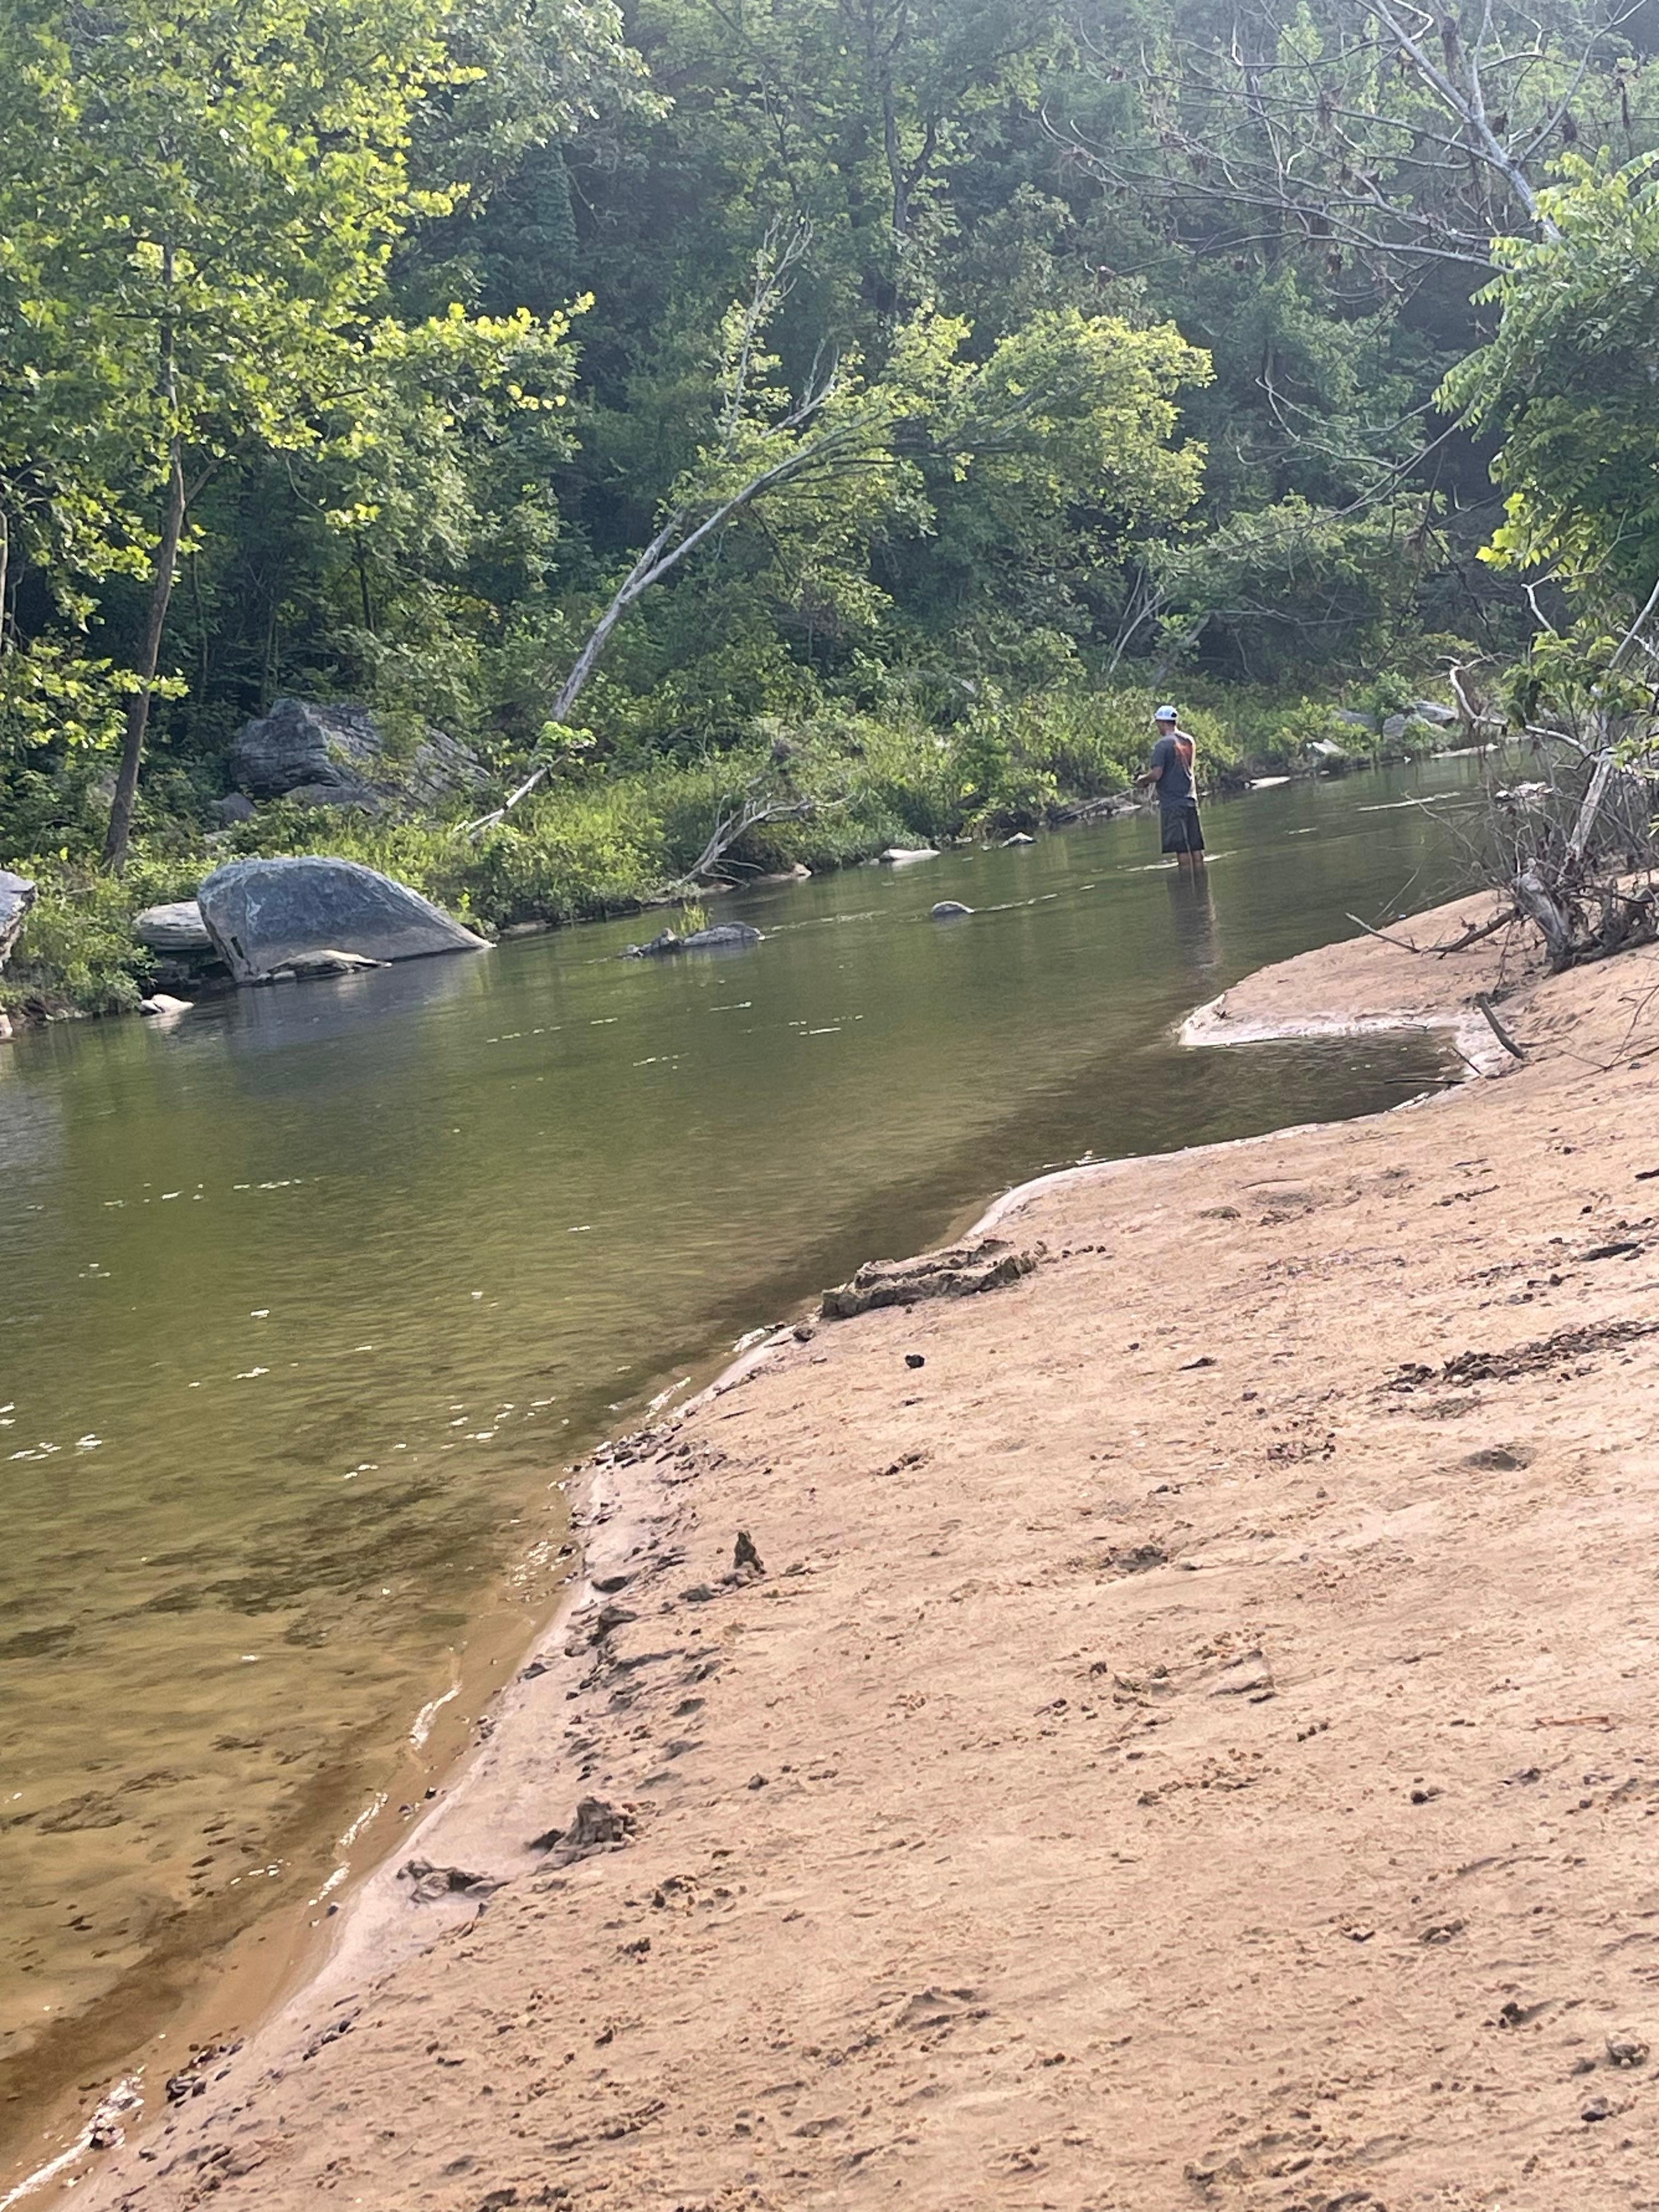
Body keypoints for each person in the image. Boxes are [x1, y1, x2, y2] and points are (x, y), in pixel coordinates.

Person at [1136, 703, 1205, 871]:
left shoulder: (1162, 745)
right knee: (1196, 847)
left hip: (1173, 804)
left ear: (1162, 722)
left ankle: (1185, 888)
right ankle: (1201, 882)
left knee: (1181, 847)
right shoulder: (1189, 741)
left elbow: (1157, 774)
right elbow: (1189, 768)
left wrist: (1142, 780)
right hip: (1190, 799)